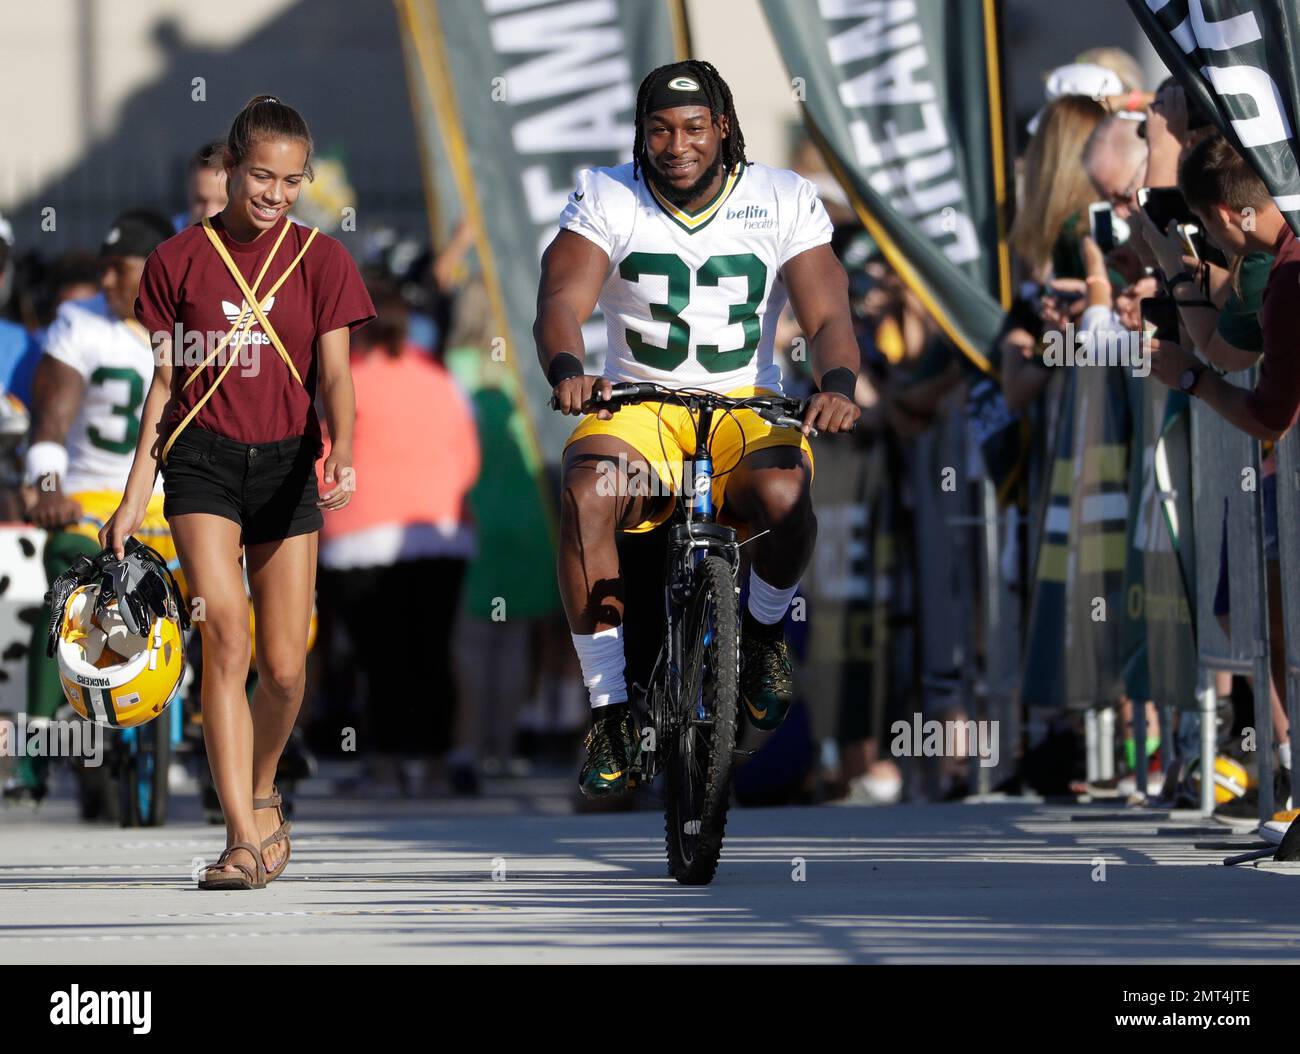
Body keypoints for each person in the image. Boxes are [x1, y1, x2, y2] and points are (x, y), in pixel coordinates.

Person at [534, 61, 861, 798]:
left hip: (746, 402)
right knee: (588, 494)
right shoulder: (608, 191)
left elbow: (830, 311)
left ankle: (766, 636)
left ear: (722, 128)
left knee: (782, 494)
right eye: (659, 129)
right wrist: (566, 367)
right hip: (640, 403)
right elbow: (560, 296)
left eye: (692, 128)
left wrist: (836, 384)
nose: (675, 144)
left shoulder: (780, 195)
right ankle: (612, 709)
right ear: (641, 134)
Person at [102, 95, 374, 889]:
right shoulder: (177, 261)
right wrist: (131, 497)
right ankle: (237, 841)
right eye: (262, 175)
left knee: (286, 668)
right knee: (227, 635)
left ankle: (261, 791)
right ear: (229, 169)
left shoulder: (323, 261)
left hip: (288, 463)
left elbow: (334, 376)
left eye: (292, 180)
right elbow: (164, 386)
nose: (276, 193)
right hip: (202, 465)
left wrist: (344, 450)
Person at [6, 210, 178, 807]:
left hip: (181, 501)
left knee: (237, 605)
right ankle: (38, 742)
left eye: (119, 270)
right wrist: (47, 486)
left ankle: (246, 739)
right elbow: (49, 423)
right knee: (70, 594)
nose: (105, 282)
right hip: (93, 500)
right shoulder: (79, 324)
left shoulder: (196, 326)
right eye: (102, 269)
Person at [316, 274, 478, 796]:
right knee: (431, 653)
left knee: (377, 658)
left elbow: (321, 458)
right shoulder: (438, 378)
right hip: (438, 533)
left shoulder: (345, 381)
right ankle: (432, 766)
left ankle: (385, 766)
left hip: (359, 536)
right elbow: (469, 458)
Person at [173, 141, 229, 232]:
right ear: (188, 191)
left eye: (222, 202)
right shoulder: (163, 237)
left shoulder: (256, 241)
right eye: (200, 201)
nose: (209, 214)